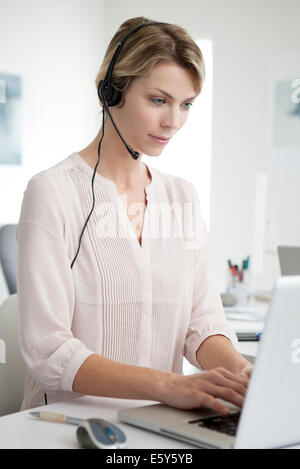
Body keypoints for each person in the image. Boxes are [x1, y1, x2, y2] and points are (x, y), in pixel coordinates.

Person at [17, 16, 253, 414]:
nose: (173, 122)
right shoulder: (53, 193)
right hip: (67, 422)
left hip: (160, 418)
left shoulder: (182, 197)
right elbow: (47, 349)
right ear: (112, 92)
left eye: (186, 105)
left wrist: (244, 375)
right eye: (158, 100)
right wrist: (171, 384)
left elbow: (202, 323)